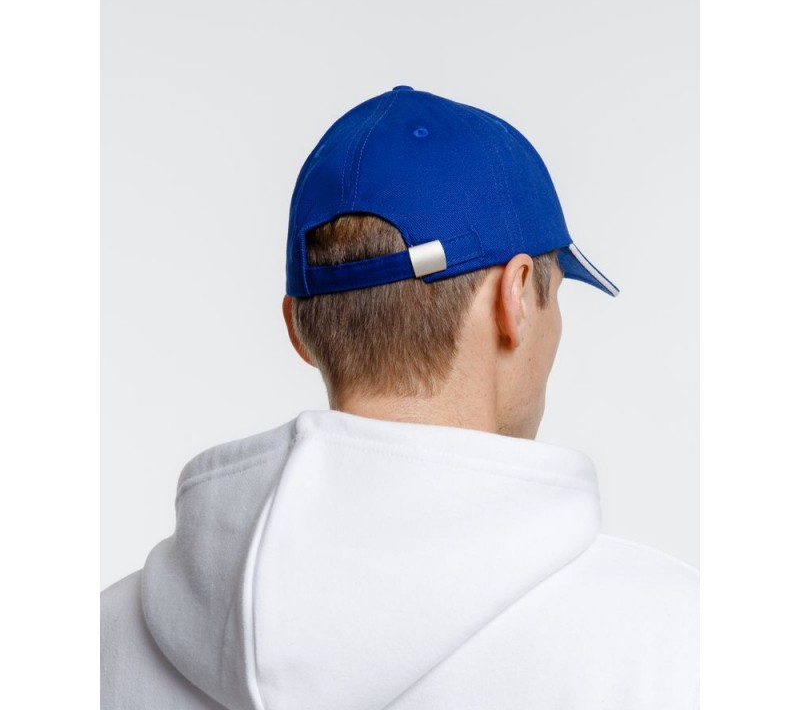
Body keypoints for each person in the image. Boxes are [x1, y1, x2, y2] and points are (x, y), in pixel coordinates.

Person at [101, 85, 699, 709]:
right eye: (557, 295)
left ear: (297, 327)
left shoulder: (100, 642)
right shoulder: (674, 644)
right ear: (517, 297)